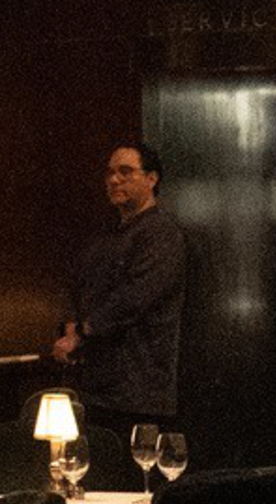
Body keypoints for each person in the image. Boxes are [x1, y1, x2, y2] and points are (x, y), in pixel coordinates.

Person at [52, 140, 189, 429]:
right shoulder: (104, 237)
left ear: (152, 179)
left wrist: (81, 332)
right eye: (110, 173)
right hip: (94, 387)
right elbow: (78, 287)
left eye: (126, 172)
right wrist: (70, 323)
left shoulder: (161, 233)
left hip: (139, 393)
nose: (114, 180)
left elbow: (135, 299)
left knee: (135, 470)